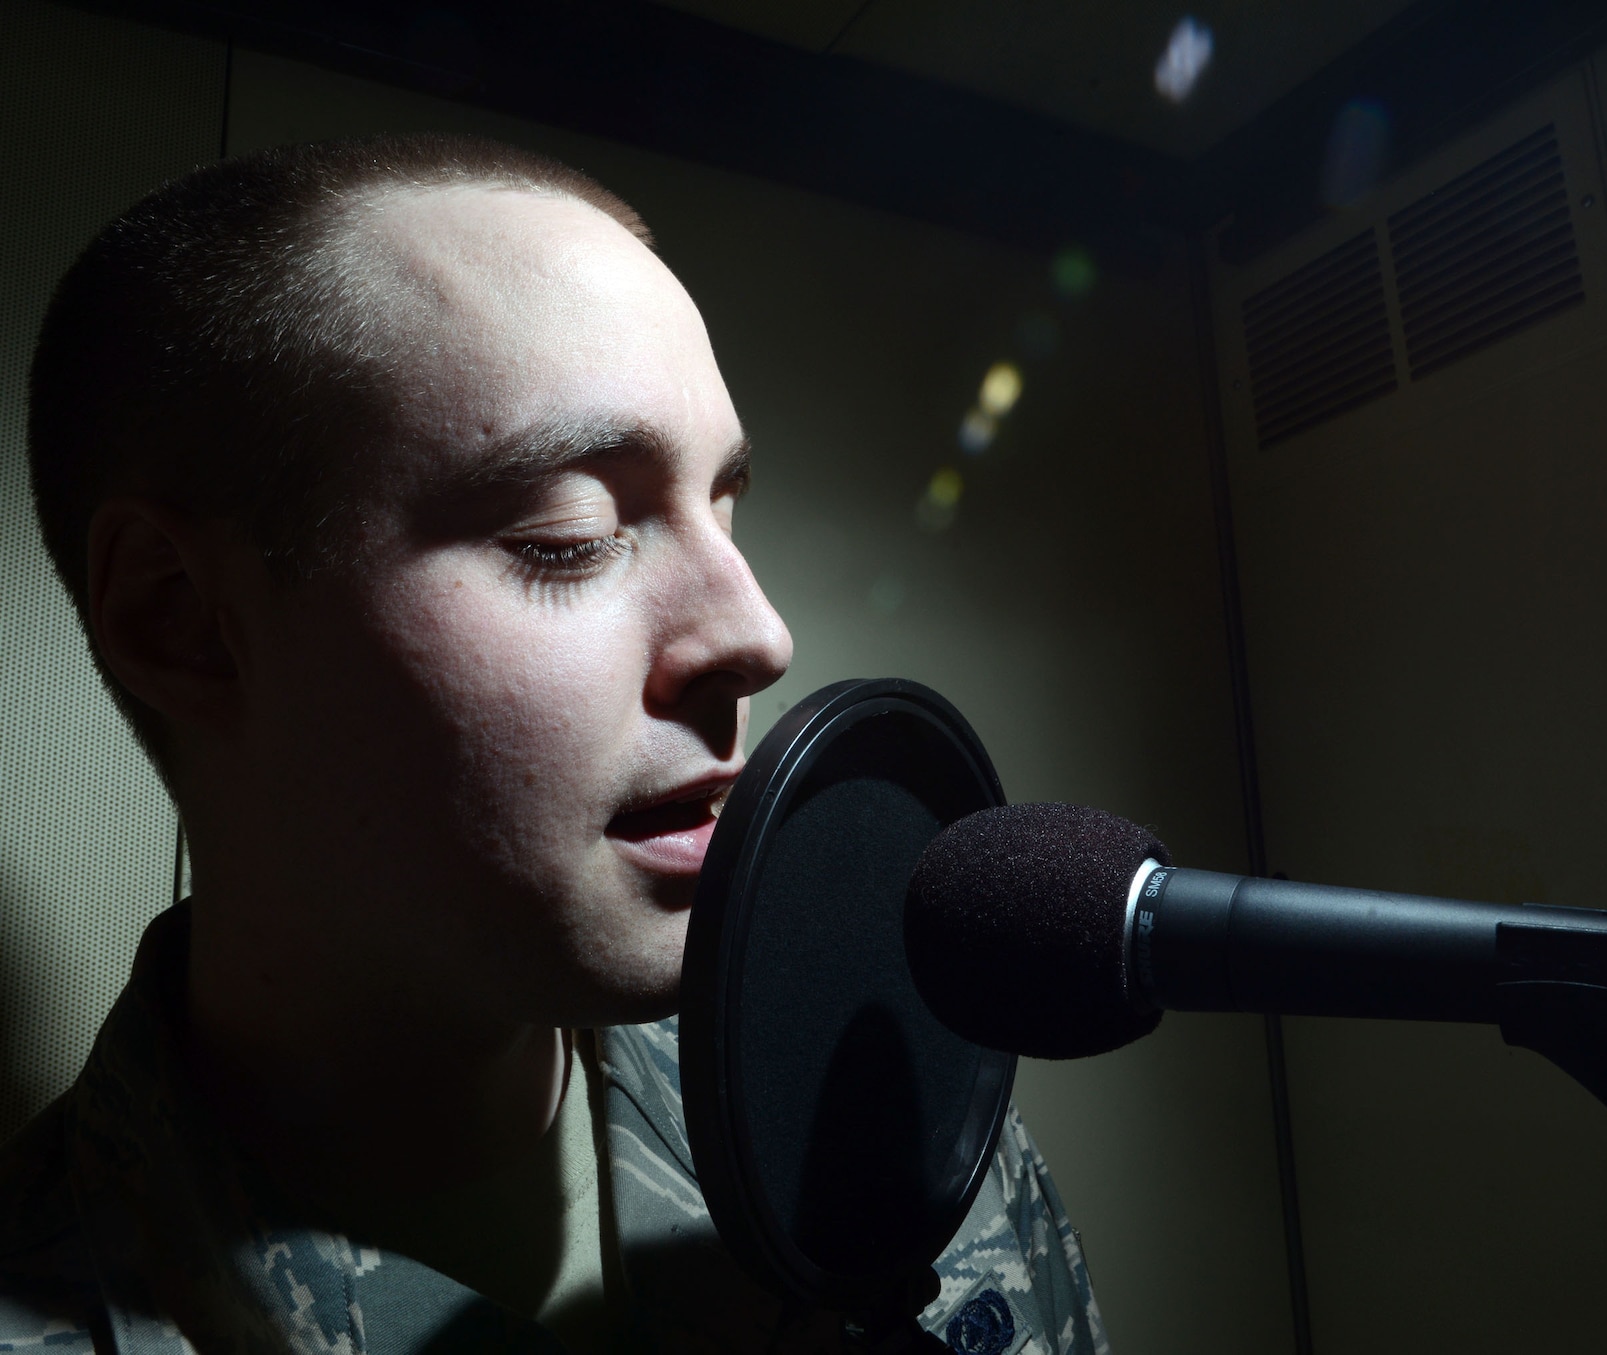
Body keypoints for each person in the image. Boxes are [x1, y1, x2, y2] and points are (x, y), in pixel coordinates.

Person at [0, 134, 1108, 1355]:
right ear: (181, 620)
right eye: (569, 530)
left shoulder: (887, 1137)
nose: (757, 632)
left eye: (725, 510)